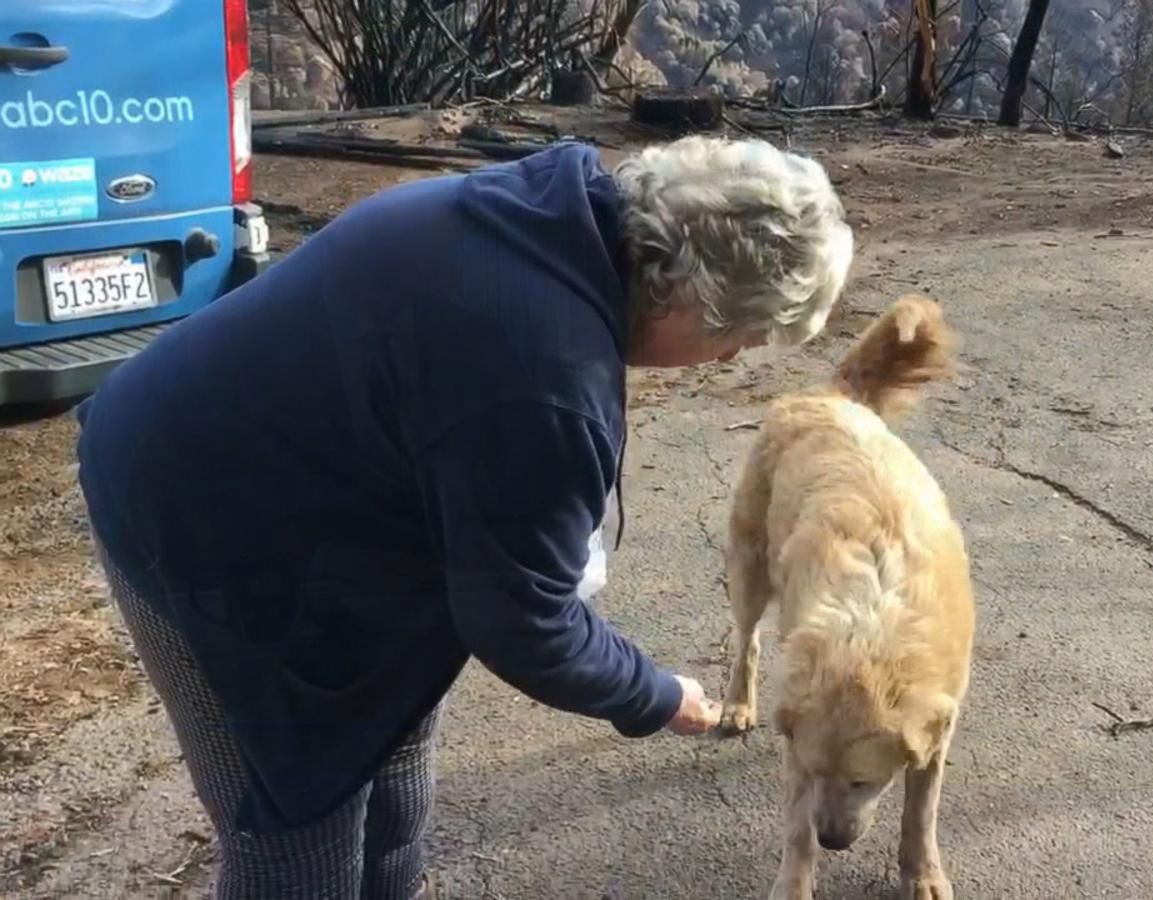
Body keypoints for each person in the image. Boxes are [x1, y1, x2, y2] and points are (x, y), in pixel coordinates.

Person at [74, 135, 854, 899]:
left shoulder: (559, 213)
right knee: (297, 831)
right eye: (742, 337)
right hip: (195, 511)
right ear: (692, 294)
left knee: (393, 745)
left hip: (313, 492)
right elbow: (526, 624)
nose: (728, 361)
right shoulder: (545, 377)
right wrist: (654, 695)